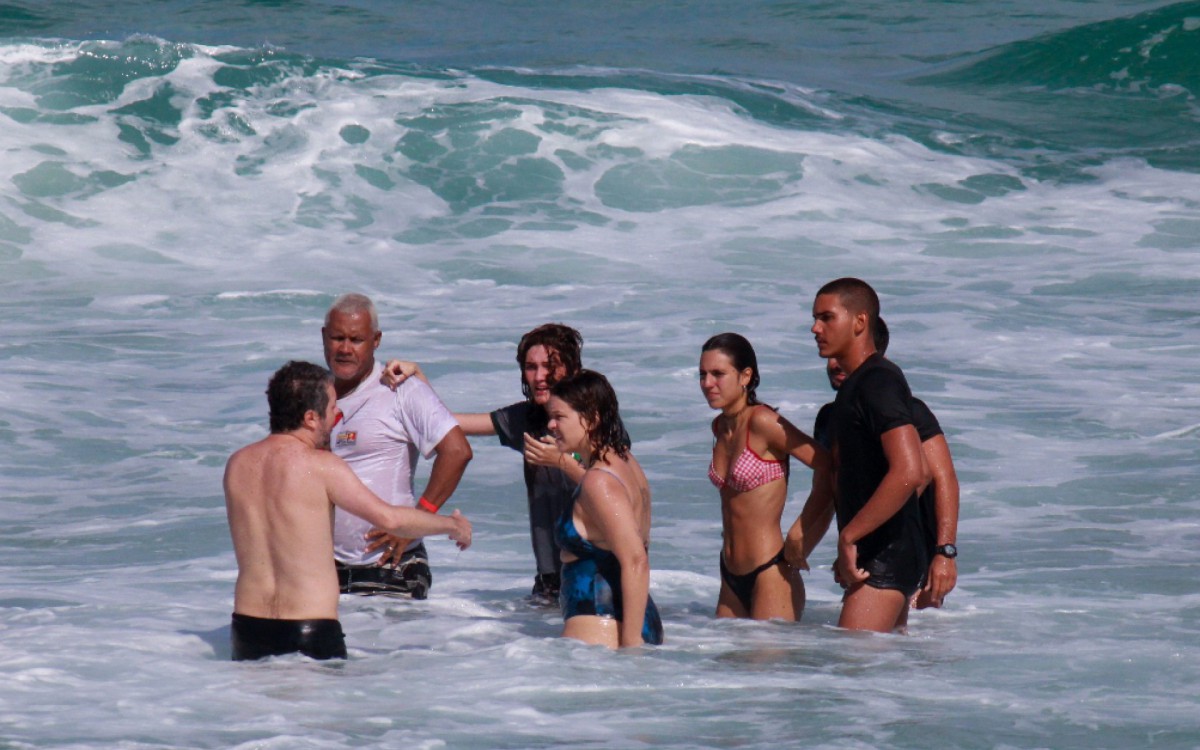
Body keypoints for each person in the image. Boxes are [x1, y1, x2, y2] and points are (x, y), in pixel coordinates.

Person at [224, 361, 472, 661]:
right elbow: (390, 519)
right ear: (311, 418)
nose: (338, 416)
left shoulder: (237, 465)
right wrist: (451, 525)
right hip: (309, 629)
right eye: (332, 409)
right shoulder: (322, 467)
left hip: (247, 629)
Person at [382, 324, 596, 604]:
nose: (539, 376)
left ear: (573, 369)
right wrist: (417, 377)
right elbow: (447, 423)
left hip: (594, 573)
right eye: (531, 367)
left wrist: (562, 463)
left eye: (550, 366)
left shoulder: (594, 421)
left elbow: (616, 490)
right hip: (549, 583)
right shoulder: (526, 418)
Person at [322, 294, 472, 599]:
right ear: (324, 337)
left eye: (356, 339)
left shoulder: (400, 388)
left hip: (390, 566)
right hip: (325, 566)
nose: (345, 348)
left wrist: (416, 522)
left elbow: (457, 451)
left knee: (382, 648)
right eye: (338, 338)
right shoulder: (316, 395)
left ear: (376, 340)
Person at [810, 318, 960, 611]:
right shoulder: (830, 418)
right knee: (892, 653)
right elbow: (836, 489)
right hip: (869, 555)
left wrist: (945, 553)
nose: (836, 365)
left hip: (908, 560)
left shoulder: (907, 410)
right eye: (833, 359)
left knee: (869, 650)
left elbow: (939, 478)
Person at [810, 278, 930, 633]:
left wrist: (850, 536)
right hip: (883, 557)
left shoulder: (878, 381)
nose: (815, 328)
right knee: (878, 682)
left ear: (860, 322)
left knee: (848, 675)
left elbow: (911, 471)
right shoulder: (859, 385)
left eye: (826, 317)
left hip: (885, 562)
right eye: (815, 318)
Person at [699, 333, 833, 621]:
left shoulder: (763, 422)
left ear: (745, 376)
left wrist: (802, 530)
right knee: (720, 665)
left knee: (769, 667)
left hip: (770, 570)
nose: (707, 383)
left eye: (718, 374)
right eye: (703, 374)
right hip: (729, 573)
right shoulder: (719, 427)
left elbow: (829, 466)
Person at [548, 370, 662, 648]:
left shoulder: (599, 481)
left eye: (559, 417)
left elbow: (636, 561)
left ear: (592, 419)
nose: (551, 425)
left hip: (602, 624)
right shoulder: (627, 463)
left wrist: (632, 646)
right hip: (629, 619)